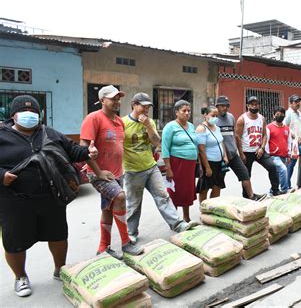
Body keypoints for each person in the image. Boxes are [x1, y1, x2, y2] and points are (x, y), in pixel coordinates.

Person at [0, 95, 99, 297]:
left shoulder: (50, 133)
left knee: (58, 235)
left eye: (35, 113)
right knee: (15, 241)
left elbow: (73, 151)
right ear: (13, 115)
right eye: (25, 112)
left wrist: (88, 152)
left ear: (40, 115)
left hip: (51, 197)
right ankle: (20, 277)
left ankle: (60, 269)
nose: (31, 116)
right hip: (14, 201)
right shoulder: (2, 136)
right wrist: (1, 175)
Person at [122, 93, 197, 244]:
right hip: (132, 170)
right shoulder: (123, 123)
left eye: (148, 106)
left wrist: (148, 126)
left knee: (163, 196)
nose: (146, 109)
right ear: (134, 105)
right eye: (143, 106)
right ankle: (131, 232)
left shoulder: (150, 122)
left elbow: (156, 142)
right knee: (134, 203)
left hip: (151, 166)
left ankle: (178, 224)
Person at [80, 85, 144, 258]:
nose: (117, 101)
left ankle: (103, 248)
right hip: (98, 173)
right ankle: (125, 243)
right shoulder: (93, 118)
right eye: (113, 98)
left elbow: (118, 147)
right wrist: (99, 172)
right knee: (120, 197)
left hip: (117, 173)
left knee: (108, 209)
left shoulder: (119, 121)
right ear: (102, 100)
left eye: (118, 98)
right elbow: (83, 149)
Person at [215, 96, 265, 201]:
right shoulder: (214, 119)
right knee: (218, 183)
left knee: (245, 174)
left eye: (227, 106)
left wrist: (239, 152)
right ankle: (213, 203)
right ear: (217, 106)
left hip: (233, 155)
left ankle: (251, 197)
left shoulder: (231, 117)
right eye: (222, 106)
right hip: (221, 157)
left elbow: (235, 135)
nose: (225, 108)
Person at [235, 96, 281, 196]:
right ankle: (246, 196)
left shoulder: (262, 118)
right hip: (246, 151)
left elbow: (264, 134)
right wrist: (241, 153)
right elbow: (237, 137)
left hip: (259, 150)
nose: (254, 106)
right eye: (252, 104)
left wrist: (262, 147)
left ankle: (275, 190)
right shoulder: (242, 119)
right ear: (248, 106)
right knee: (246, 175)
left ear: (259, 105)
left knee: (272, 167)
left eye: (256, 104)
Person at [162, 100, 198, 222]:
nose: (187, 113)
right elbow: (165, 148)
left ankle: (186, 217)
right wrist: (168, 168)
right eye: (184, 111)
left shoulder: (191, 126)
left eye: (189, 110)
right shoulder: (170, 127)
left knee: (187, 190)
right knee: (175, 191)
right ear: (177, 112)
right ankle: (175, 219)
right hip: (177, 163)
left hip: (190, 164)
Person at [196, 106, 229, 202]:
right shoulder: (201, 129)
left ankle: (213, 207)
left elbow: (221, 142)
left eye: (216, 116)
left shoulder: (217, 128)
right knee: (205, 188)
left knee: (217, 186)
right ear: (205, 115)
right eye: (212, 115)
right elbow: (201, 150)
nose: (215, 118)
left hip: (219, 162)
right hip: (209, 162)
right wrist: (207, 167)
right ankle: (203, 208)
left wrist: (225, 156)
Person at [266, 106, 291, 193]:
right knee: (283, 170)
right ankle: (284, 190)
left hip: (284, 155)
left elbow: (289, 141)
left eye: (282, 114)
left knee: (277, 175)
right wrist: (267, 154)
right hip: (274, 156)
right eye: (277, 114)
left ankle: (272, 191)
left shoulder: (287, 128)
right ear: (273, 116)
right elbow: (266, 141)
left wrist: (289, 154)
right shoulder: (269, 127)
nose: (280, 116)